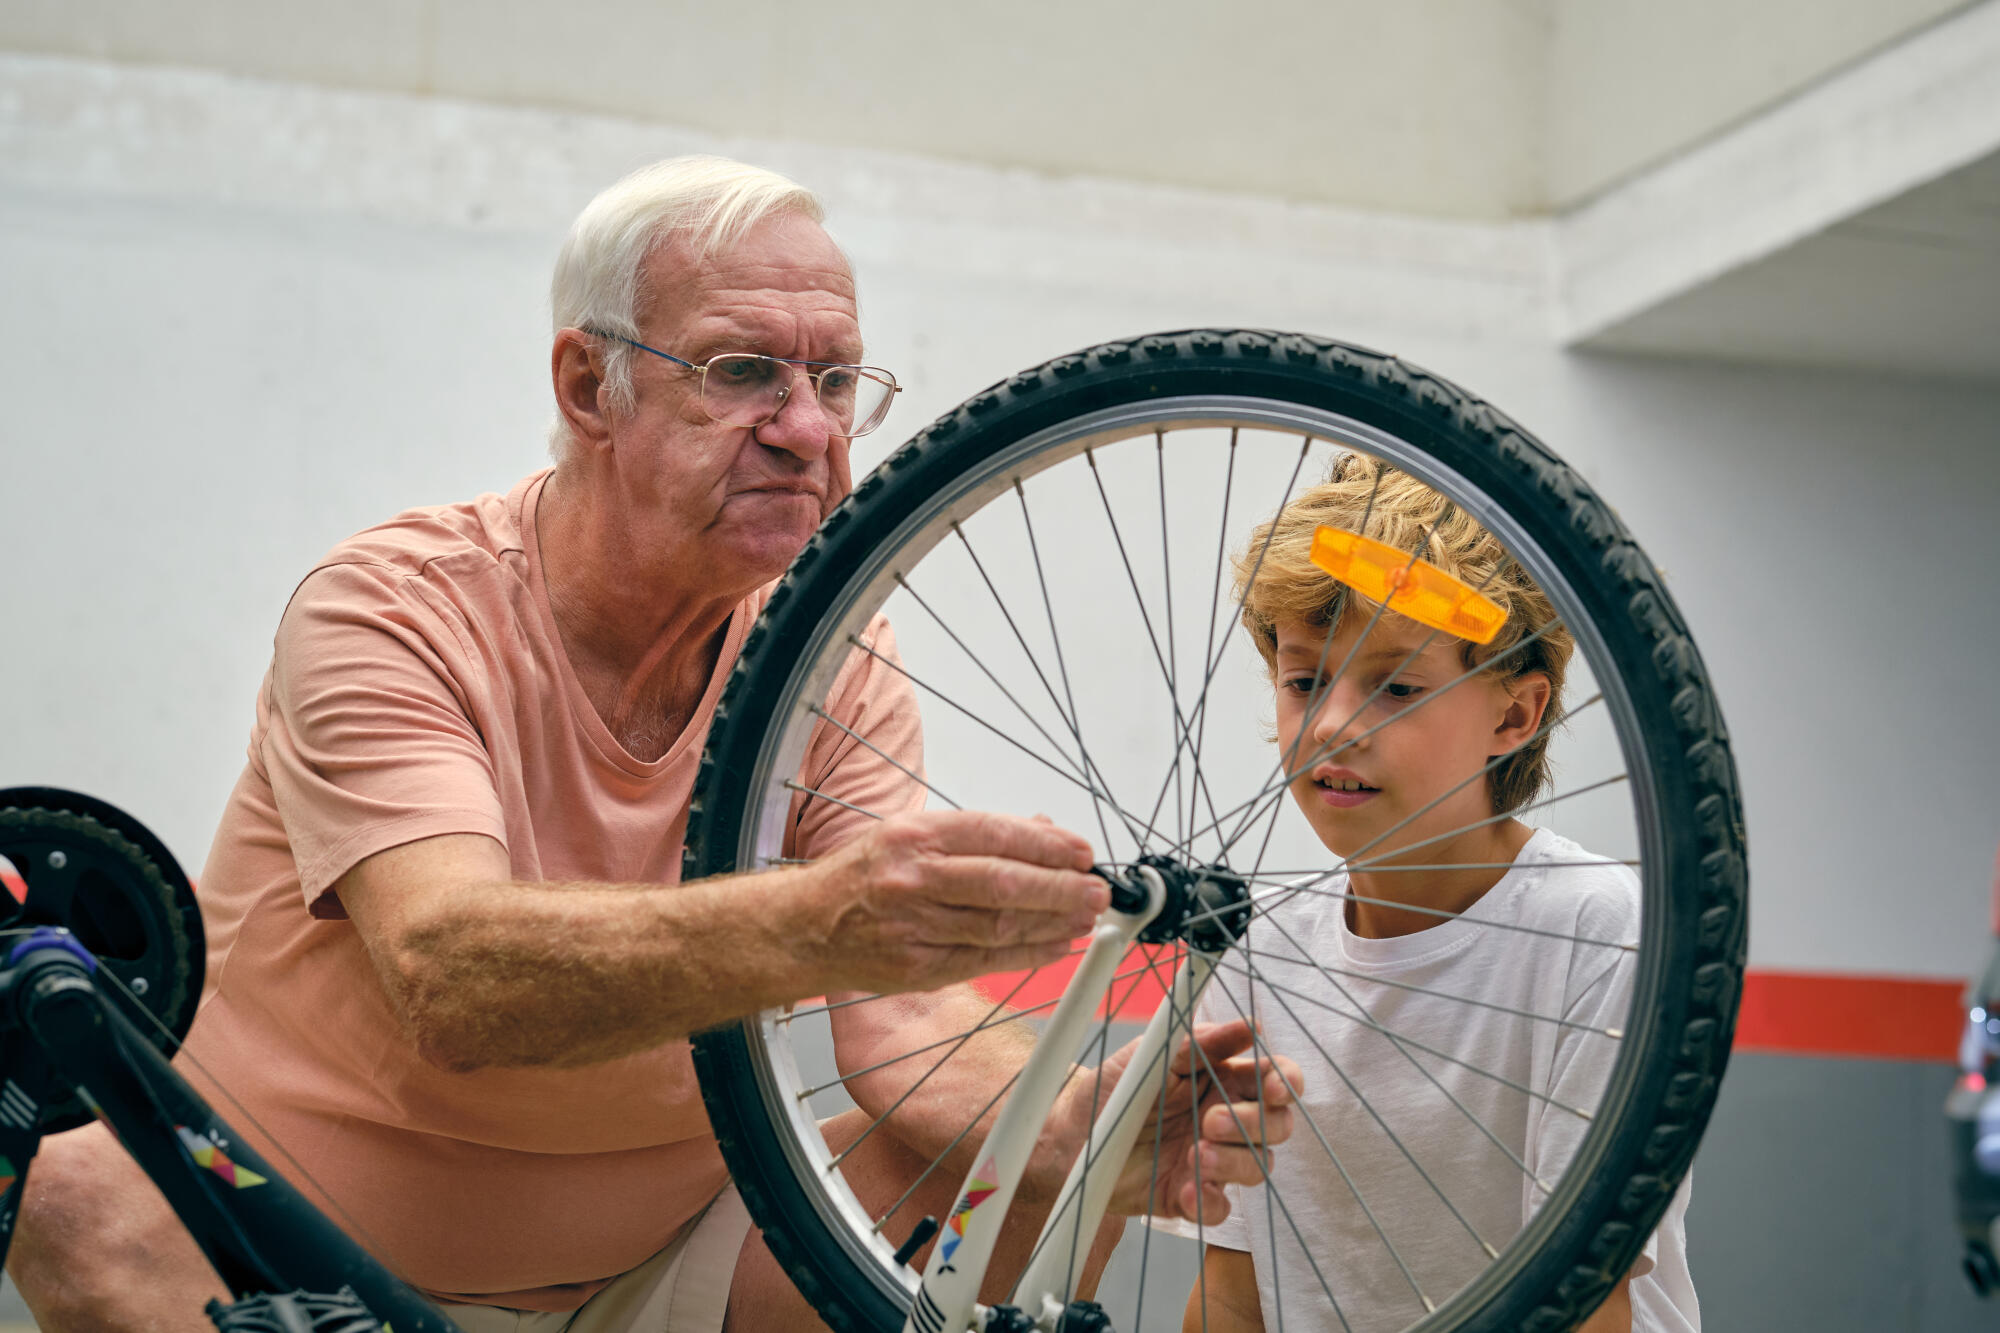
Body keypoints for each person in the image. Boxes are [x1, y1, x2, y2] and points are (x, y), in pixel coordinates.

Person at [9, 156, 1293, 1332]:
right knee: (71, 1193)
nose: (810, 430)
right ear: (587, 385)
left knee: (1002, 1167)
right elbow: (450, 978)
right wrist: (819, 918)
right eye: (743, 372)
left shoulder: (833, 650)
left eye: (836, 380)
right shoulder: (392, 606)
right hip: (290, 1262)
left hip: (663, 1276)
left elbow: (901, 1027)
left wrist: (1071, 1117)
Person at [1181, 455, 1699, 1332]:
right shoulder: (1259, 945)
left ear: (1514, 716)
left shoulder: (1597, 927)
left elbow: (1589, 1304)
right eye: (1305, 679)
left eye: (1398, 686)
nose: (1334, 724)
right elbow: (1235, 1292)